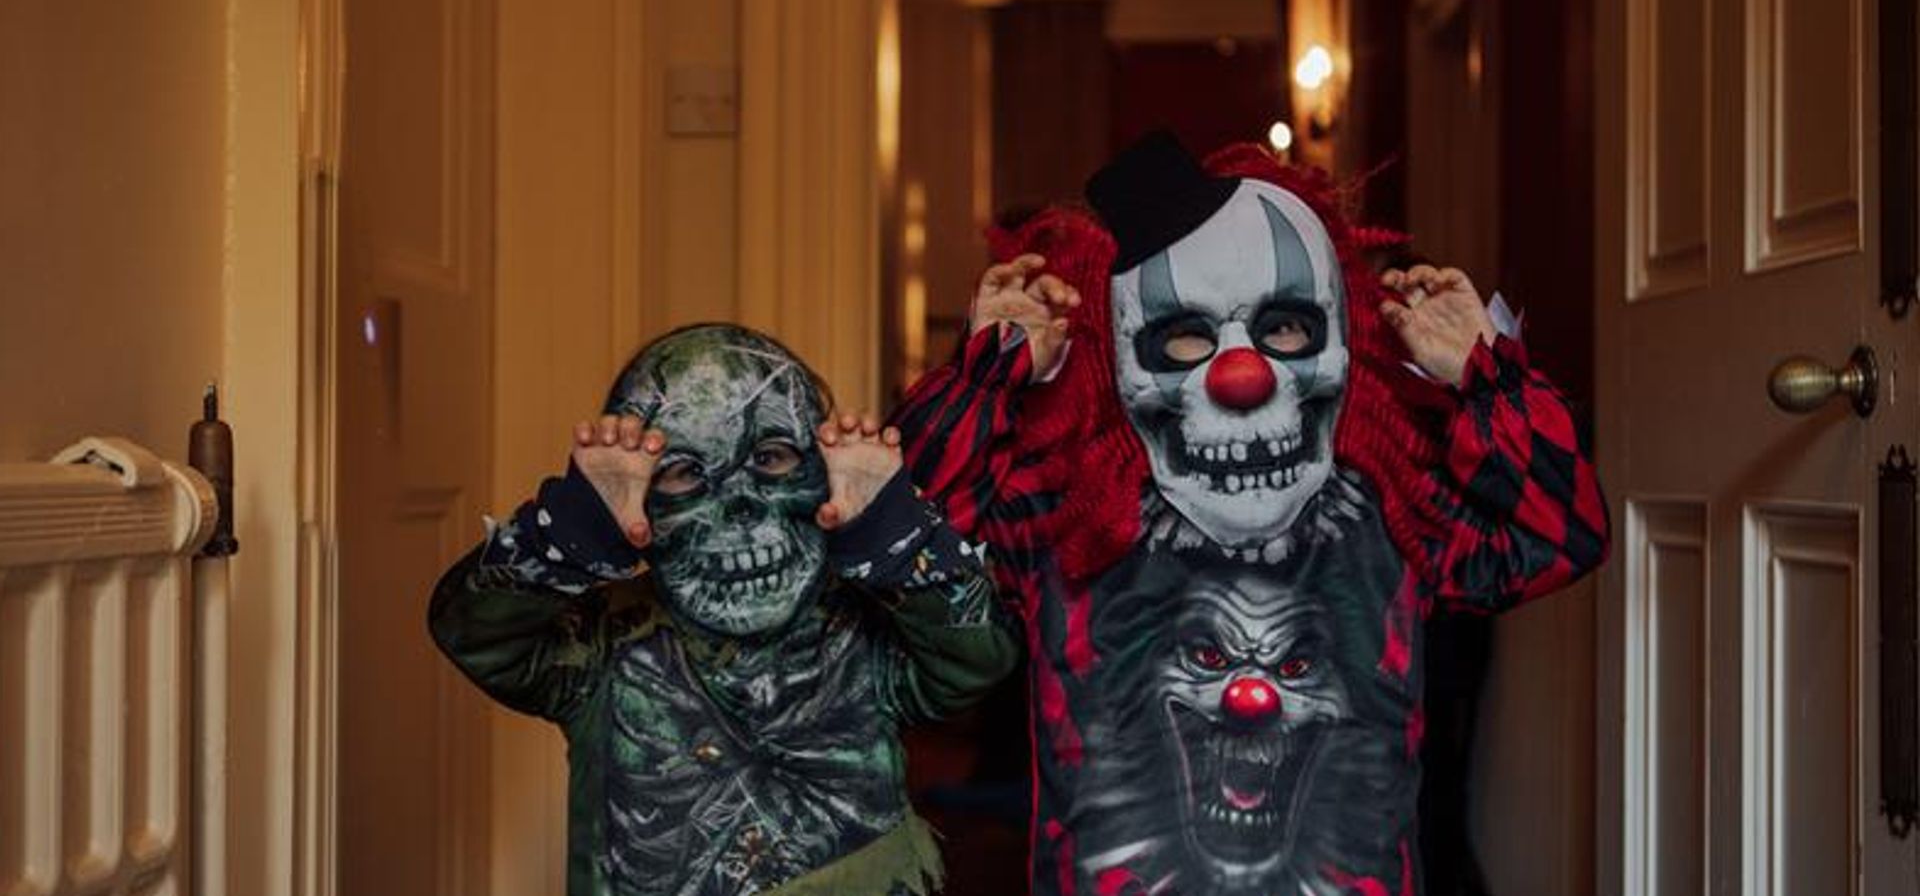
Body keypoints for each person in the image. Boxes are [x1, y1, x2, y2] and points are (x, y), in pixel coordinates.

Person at [893, 132, 1609, 893]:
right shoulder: (1066, 521)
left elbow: (1563, 532)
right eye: (1186, 340)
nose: (1241, 375)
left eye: (1286, 330)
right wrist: (985, 377)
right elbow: (906, 535)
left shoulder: (1392, 519)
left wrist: (1485, 375)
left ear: (1342, 340)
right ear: (1117, 357)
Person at [430, 323, 1020, 896]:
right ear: (642, 503)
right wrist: (575, 528)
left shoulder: (861, 631)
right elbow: (472, 630)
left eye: (773, 458)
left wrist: (890, 530)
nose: (738, 506)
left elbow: (977, 658)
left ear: (822, 476)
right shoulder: (604, 646)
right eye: (683, 473)